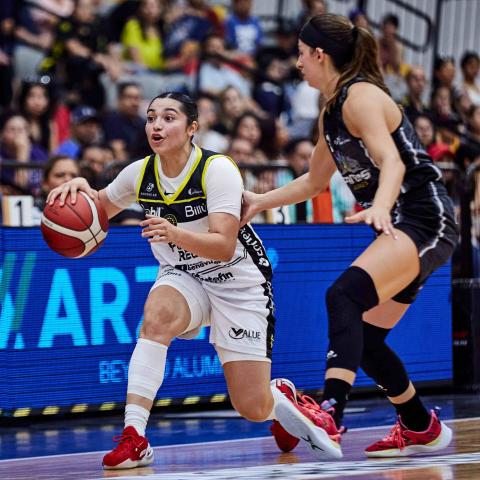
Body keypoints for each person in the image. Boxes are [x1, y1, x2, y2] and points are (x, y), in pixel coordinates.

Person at [46, 91, 306, 470]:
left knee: (251, 407)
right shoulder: (140, 173)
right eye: (151, 118)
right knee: (155, 317)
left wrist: (175, 233)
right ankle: (135, 436)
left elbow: (222, 245)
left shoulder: (217, 169)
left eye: (169, 118)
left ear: (192, 128)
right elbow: (100, 206)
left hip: (236, 280)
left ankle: (279, 399)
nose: (157, 125)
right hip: (184, 274)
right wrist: (80, 187)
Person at [241, 13, 458, 460]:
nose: (297, 63)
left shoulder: (360, 97)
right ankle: (420, 424)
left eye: (301, 54)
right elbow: (313, 183)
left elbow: (393, 162)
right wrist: (259, 202)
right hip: (401, 223)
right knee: (366, 338)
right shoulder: (331, 111)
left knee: (343, 296)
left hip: (423, 217)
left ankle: (331, 413)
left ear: (320, 55)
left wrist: (379, 206)